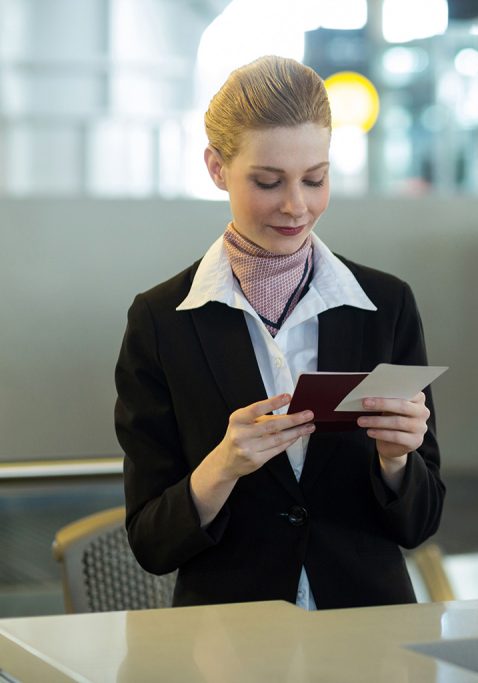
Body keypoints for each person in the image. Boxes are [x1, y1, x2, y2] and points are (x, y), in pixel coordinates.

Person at [114, 55, 444, 609]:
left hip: (368, 631)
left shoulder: (386, 305)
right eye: (269, 182)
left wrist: (397, 461)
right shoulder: (160, 321)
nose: (297, 206)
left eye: (315, 179)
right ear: (217, 168)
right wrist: (223, 465)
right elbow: (151, 543)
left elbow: (421, 522)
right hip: (226, 641)